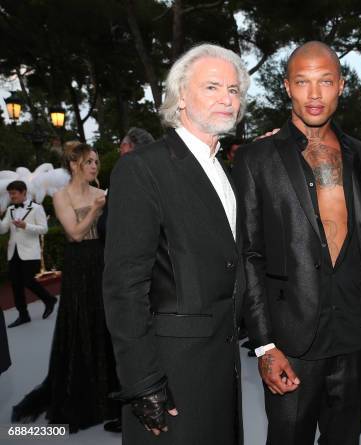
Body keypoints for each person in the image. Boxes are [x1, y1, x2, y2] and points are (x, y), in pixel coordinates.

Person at [103, 43, 249, 445]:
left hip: (222, 366)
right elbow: (125, 286)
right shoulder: (142, 168)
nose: (227, 98)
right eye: (213, 87)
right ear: (181, 96)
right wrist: (142, 382)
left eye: (234, 91)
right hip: (170, 374)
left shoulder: (225, 170)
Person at [234, 41, 361, 445]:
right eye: (303, 82)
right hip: (291, 342)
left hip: (353, 336)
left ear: (341, 85)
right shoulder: (256, 158)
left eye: (325, 81)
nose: (314, 94)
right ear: (287, 87)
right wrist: (264, 346)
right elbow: (248, 255)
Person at [12, 142, 120, 433]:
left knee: (106, 322)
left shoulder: (103, 193)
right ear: (74, 165)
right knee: (81, 322)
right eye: (89, 162)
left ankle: (112, 390)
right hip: (78, 264)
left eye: (96, 162)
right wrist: (95, 210)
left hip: (102, 260)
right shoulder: (62, 197)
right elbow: (73, 233)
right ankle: (85, 395)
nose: (95, 166)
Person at [0, 180, 57, 327]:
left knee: (27, 281)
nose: (12, 196)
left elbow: (44, 229)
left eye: (14, 193)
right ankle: (23, 315)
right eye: (10, 193)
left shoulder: (37, 208)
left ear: (23, 192)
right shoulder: (10, 209)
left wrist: (26, 225)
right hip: (13, 253)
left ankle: (49, 299)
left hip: (31, 253)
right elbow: (3, 229)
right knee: (15, 284)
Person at [97, 127, 155, 243]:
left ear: (126, 146)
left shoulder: (125, 177)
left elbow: (109, 227)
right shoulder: (157, 177)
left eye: (121, 147)